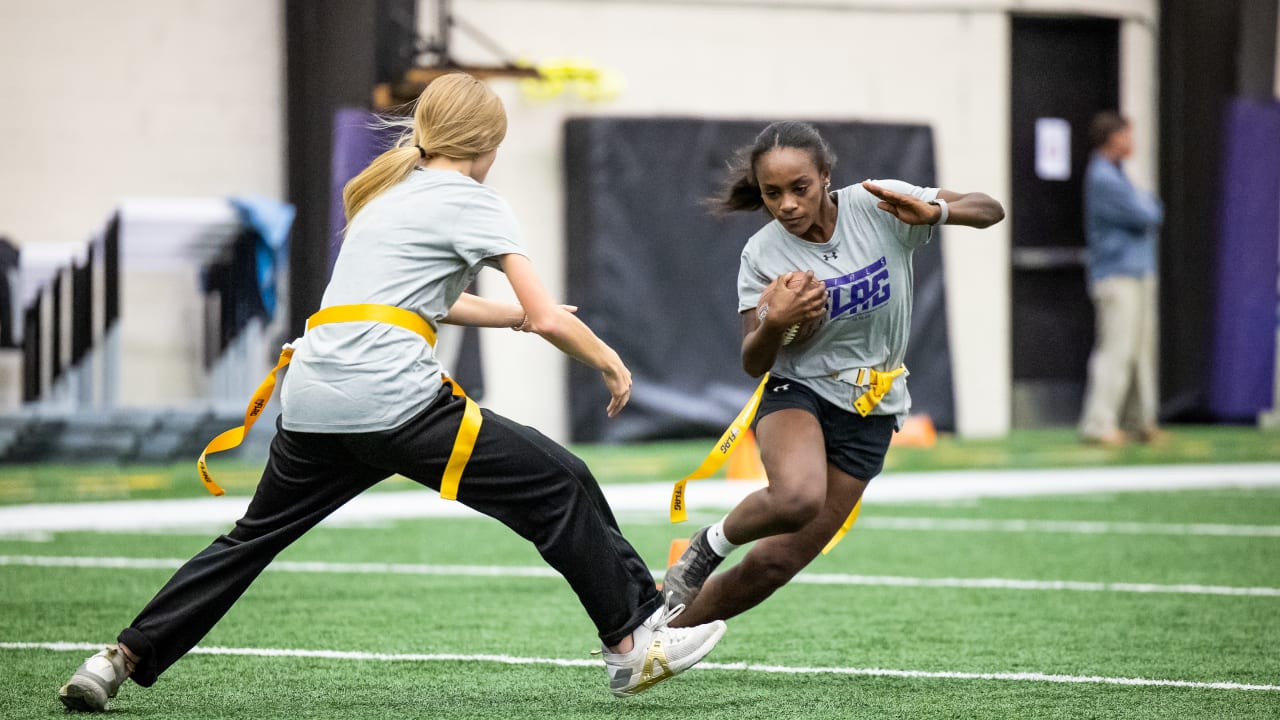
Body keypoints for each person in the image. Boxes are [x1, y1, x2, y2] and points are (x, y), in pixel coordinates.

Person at [57, 73, 725, 712]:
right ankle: (632, 642)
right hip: (392, 399)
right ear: (488, 146)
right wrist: (608, 361)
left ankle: (117, 659)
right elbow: (547, 314)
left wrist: (518, 315)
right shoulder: (474, 200)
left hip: (315, 398)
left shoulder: (386, 196)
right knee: (561, 482)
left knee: (249, 540)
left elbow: (421, 303)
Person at [663, 121, 1004, 627]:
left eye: (799, 188)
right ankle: (708, 546)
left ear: (826, 175)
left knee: (777, 561)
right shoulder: (763, 253)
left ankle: (663, 639)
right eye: (772, 193)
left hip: (872, 408)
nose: (787, 205)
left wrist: (937, 211)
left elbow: (990, 209)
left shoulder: (878, 206)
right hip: (799, 390)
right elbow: (754, 360)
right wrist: (775, 321)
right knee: (797, 496)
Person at [1078, 111, 1165, 447]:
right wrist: (1147, 202)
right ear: (1114, 138)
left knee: (1140, 353)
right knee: (1115, 351)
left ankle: (1139, 421)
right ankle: (1098, 424)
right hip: (1116, 276)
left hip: (1137, 272)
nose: (1132, 142)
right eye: (1127, 135)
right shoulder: (1103, 177)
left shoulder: (1120, 175)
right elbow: (1149, 213)